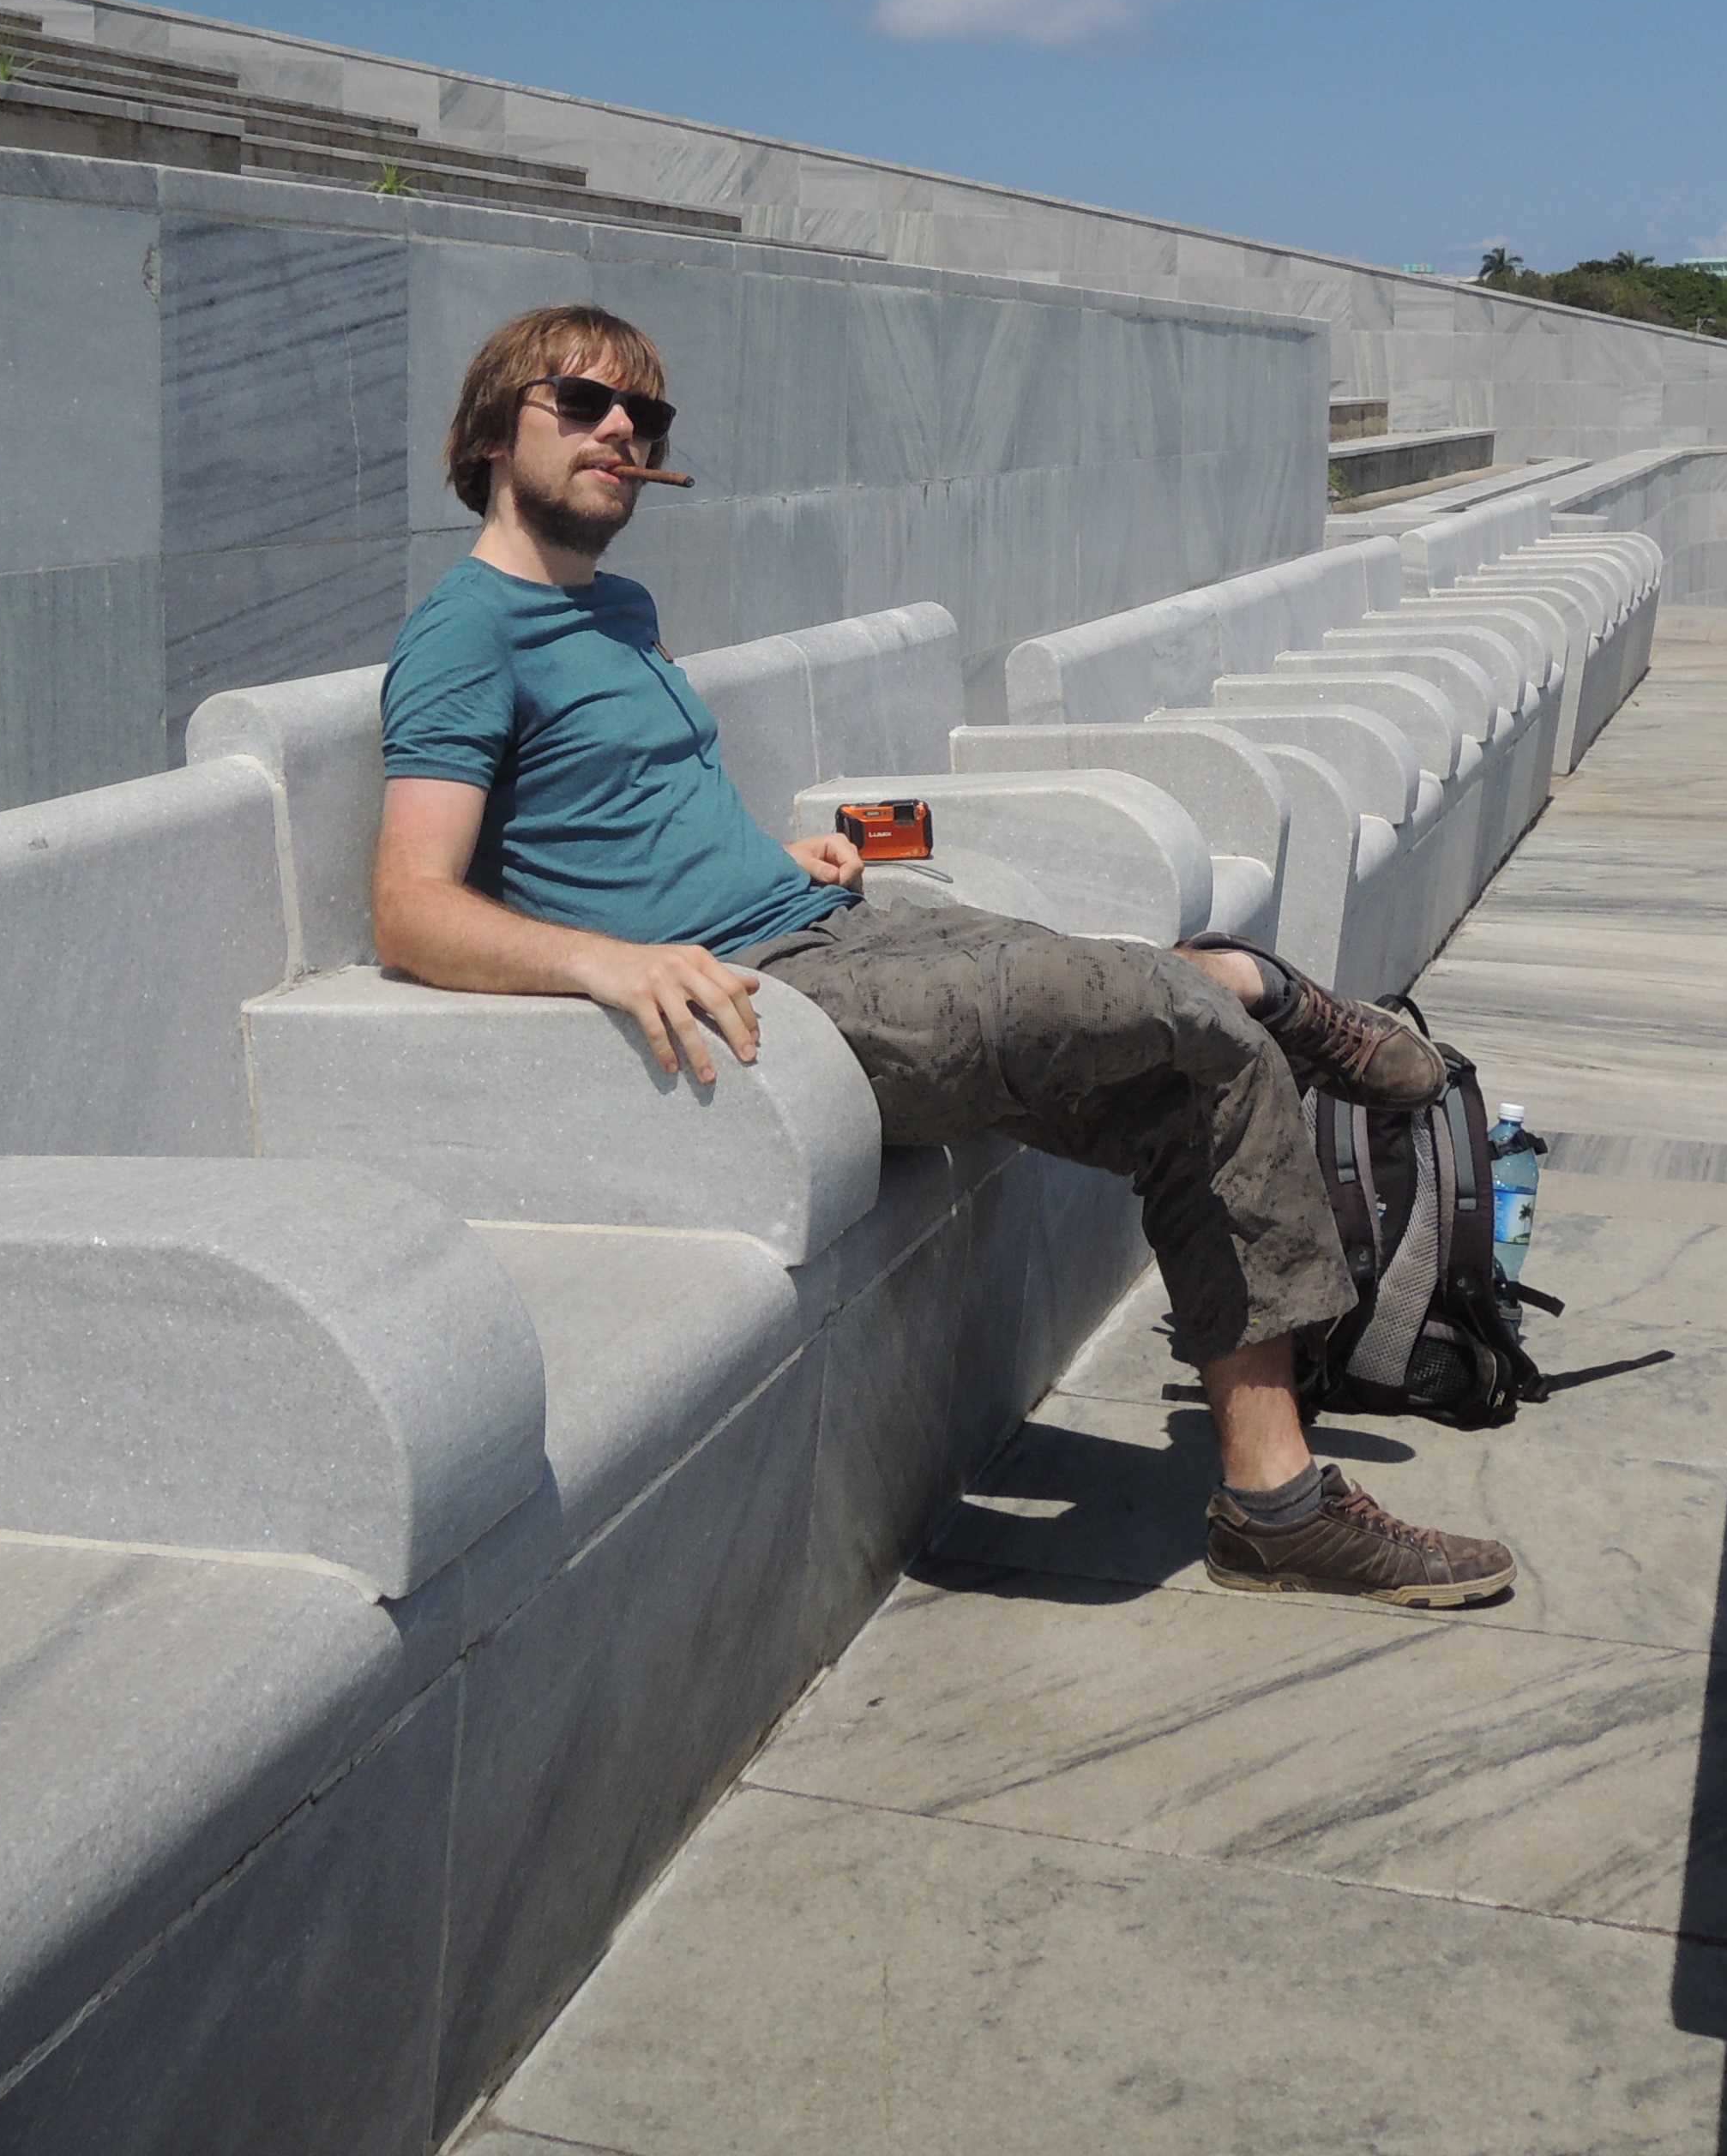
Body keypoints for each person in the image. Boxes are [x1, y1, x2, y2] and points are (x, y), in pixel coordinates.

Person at [371, 306, 1517, 1608]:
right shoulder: (466, 635)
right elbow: (410, 906)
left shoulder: (617, 609)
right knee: (1181, 1000)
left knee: (1197, 1083)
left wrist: (775, 852)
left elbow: (631, 809)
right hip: (780, 995)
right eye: (582, 404)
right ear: (493, 428)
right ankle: (1256, 983)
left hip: (833, 924)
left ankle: (1276, 1509)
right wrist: (609, 965)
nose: (622, 430)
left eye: (646, 414)